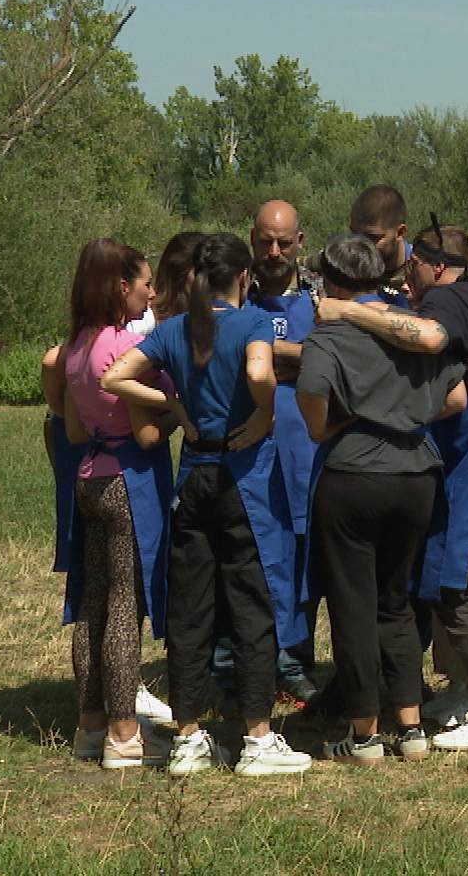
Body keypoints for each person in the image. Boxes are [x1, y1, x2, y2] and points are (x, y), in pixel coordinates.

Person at [102, 234, 311, 777]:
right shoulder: (252, 324)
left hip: (192, 476)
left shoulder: (173, 330)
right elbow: (262, 373)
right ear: (243, 278)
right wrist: (264, 413)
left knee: (191, 611)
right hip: (245, 480)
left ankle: (188, 736)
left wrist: (171, 403)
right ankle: (258, 738)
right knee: (250, 605)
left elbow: (114, 376)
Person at [295, 233, 468, 765]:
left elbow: (315, 418)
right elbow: (457, 396)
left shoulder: (328, 336)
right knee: (396, 602)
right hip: (417, 475)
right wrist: (407, 418)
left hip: (352, 478)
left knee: (353, 606)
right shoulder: (410, 327)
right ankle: (411, 726)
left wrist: (349, 421)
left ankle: (364, 733)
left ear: (330, 280)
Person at [56, 239, 180, 768]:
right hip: (127, 480)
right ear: (121, 287)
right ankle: (126, 733)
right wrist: (177, 409)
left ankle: (90, 725)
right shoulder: (121, 350)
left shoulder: (77, 346)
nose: (151, 293)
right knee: (126, 607)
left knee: (93, 605)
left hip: (88, 478)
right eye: (146, 282)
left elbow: (73, 425)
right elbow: (147, 435)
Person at [245, 200, 320, 708]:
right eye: (265, 241)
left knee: (301, 559)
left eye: (284, 242)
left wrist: (267, 355)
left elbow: (330, 358)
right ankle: (237, 667)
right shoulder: (232, 290)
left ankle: (295, 664)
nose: (274, 252)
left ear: (300, 242)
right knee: (249, 557)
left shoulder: (322, 298)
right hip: (248, 450)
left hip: (307, 450)